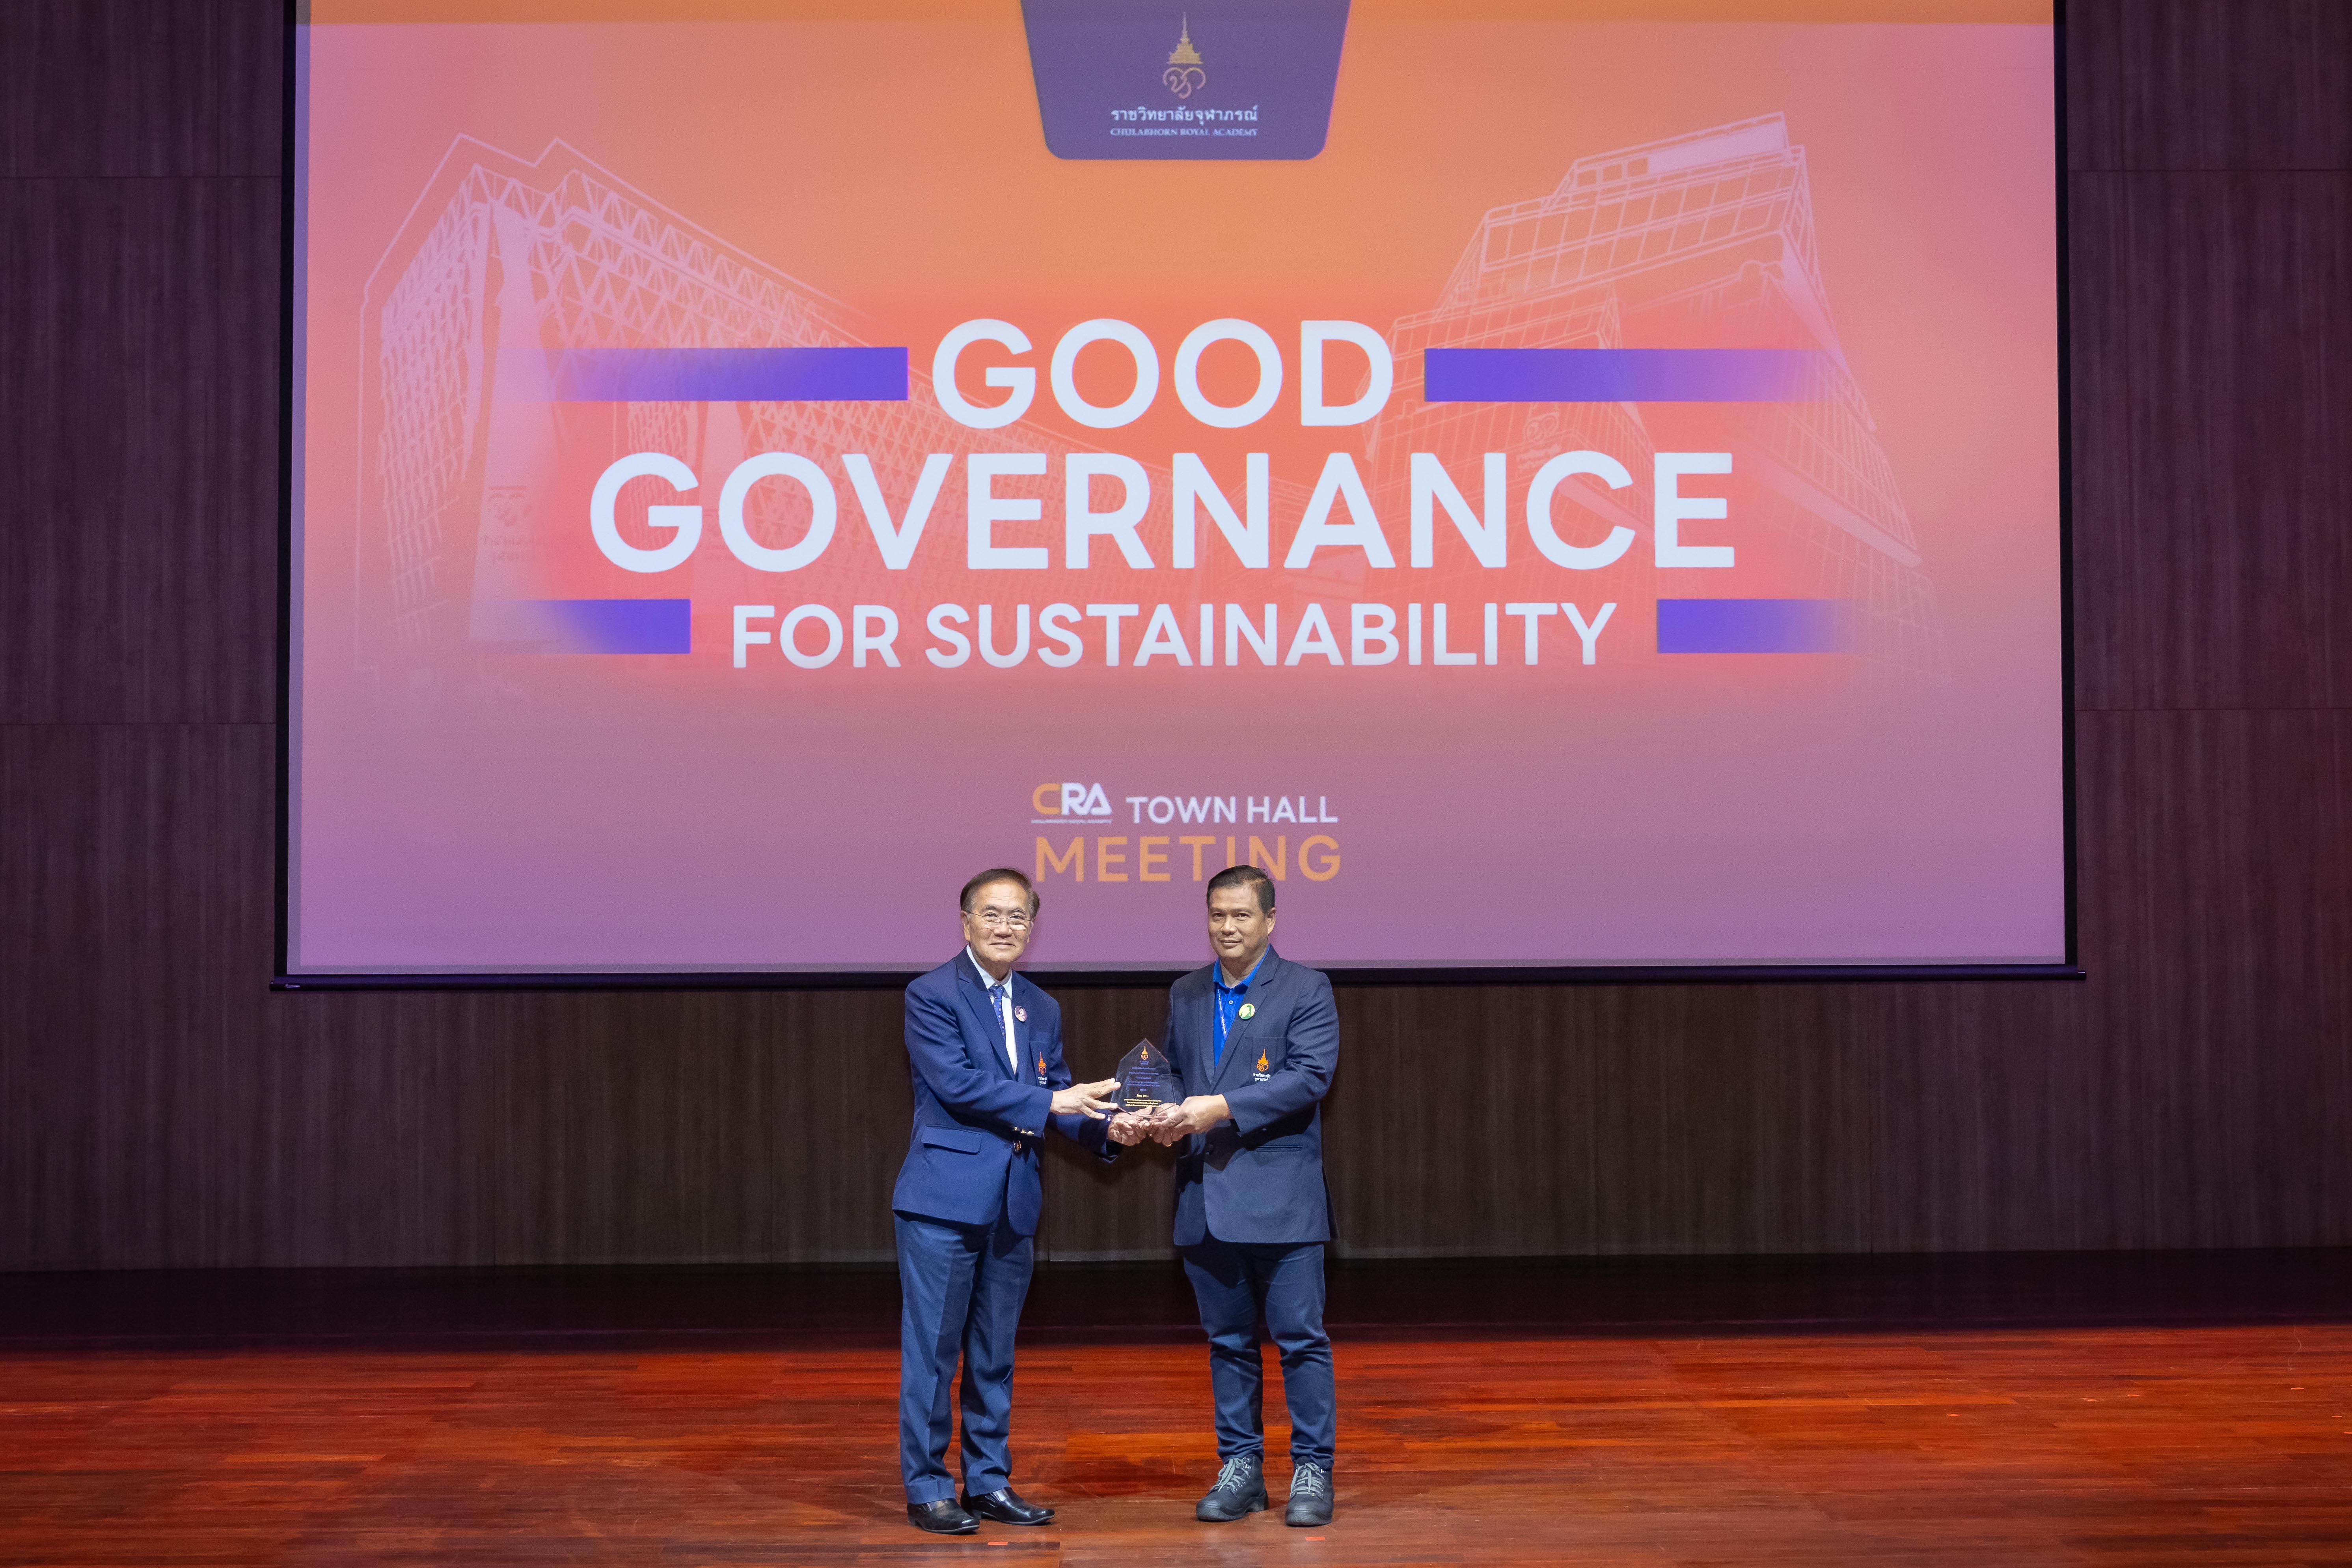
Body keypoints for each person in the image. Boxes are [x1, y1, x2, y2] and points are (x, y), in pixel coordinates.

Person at [893, 867, 1120, 1535]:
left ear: (1032, 926)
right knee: (934, 1353)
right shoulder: (931, 993)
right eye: (990, 914)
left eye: (1017, 916)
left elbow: (1058, 1093)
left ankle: (988, 1481)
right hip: (943, 1200)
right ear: (965, 921)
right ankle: (928, 1488)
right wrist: (1054, 1101)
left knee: (994, 1354)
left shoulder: (1040, 1006)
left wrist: (1111, 1128)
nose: (1004, 927)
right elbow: (958, 1084)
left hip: (1013, 1201)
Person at [1114, 864, 1340, 1527]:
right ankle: (1241, 1468)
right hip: (1204, 1198)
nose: (1228, 927)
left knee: (1300, 1340)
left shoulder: (1306, 987)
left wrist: (1215, 1108)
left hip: (1282, 1199)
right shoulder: (1187, 991)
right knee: (1228, 1343)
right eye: (1217, 915)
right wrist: (1155, 1114)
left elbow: (1310, 1077)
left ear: (1270, 919)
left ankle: (1312, 1469)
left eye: (1241, 915)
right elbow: (1176, 1077)